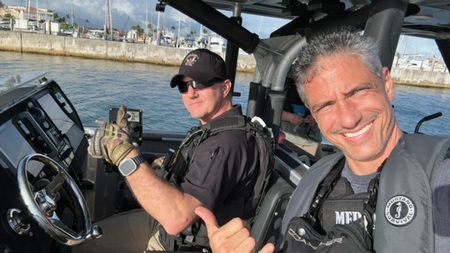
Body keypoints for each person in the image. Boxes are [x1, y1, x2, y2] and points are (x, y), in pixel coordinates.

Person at [195, 28, 450, 253]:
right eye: (327, 105)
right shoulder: (314, 182)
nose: (349, 118)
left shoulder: (440, 176)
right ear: (314, 115)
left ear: (387, 84)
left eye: (358, 91)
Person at [75, 48, 273, 253]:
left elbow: (177, 219)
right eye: (183, 86)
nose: (191, 93)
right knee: (88, 240)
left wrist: (125, 155)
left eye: (200, 83)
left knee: (85, 245)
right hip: (171, 231)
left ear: (225, 88)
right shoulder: (215, 132)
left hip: (182, 243)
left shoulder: (225, 145)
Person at [280, 76, 322, 158]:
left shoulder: (320, 82)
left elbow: (329, 109)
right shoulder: (282, 79)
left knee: (317, 166)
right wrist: (290, 117)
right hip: (287, 141)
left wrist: (316, 117)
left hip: (312, 142)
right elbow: (270, 110)